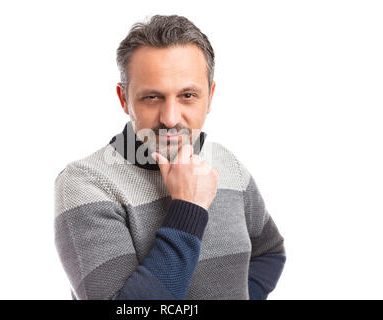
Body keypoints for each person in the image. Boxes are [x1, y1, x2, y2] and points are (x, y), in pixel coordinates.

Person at [54, 14, 286, 300]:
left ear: (210, 97)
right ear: (124, 99)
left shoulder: (228, 165)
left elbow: (270, 253)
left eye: (188, 95)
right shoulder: (85, 184)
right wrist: (188, 207)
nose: (170, 118)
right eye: (152, 97)